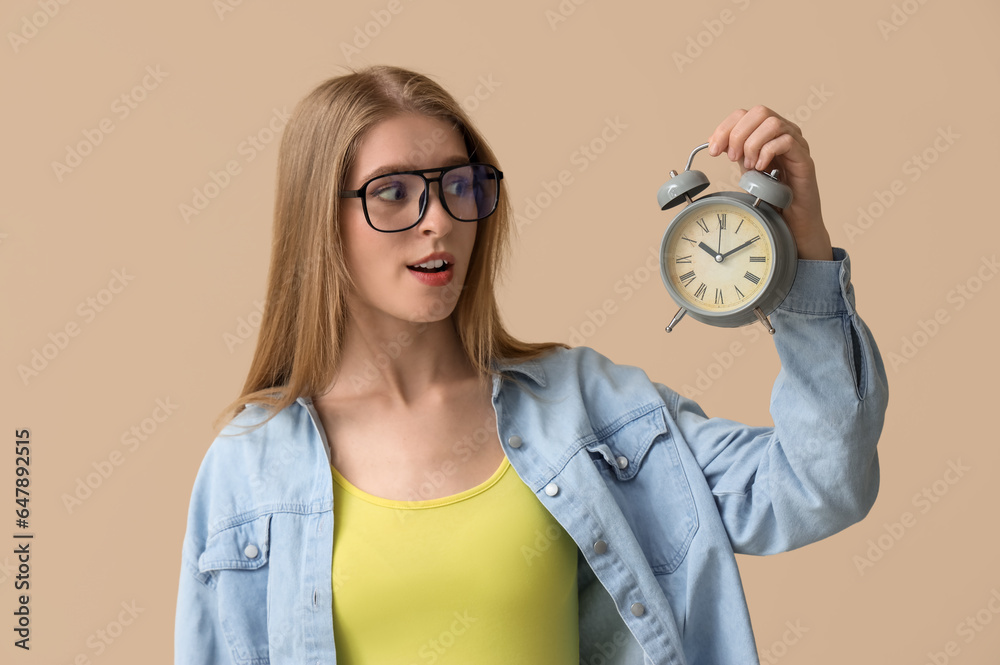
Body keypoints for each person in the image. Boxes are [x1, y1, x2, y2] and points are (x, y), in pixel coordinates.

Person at [174, 65, 888, 665]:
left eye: (459, 185)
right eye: (393, 191)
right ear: (319, 221)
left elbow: (817, 483)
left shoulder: (589, 410)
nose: (439, 218)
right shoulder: (249, 467)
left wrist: (807, 253)